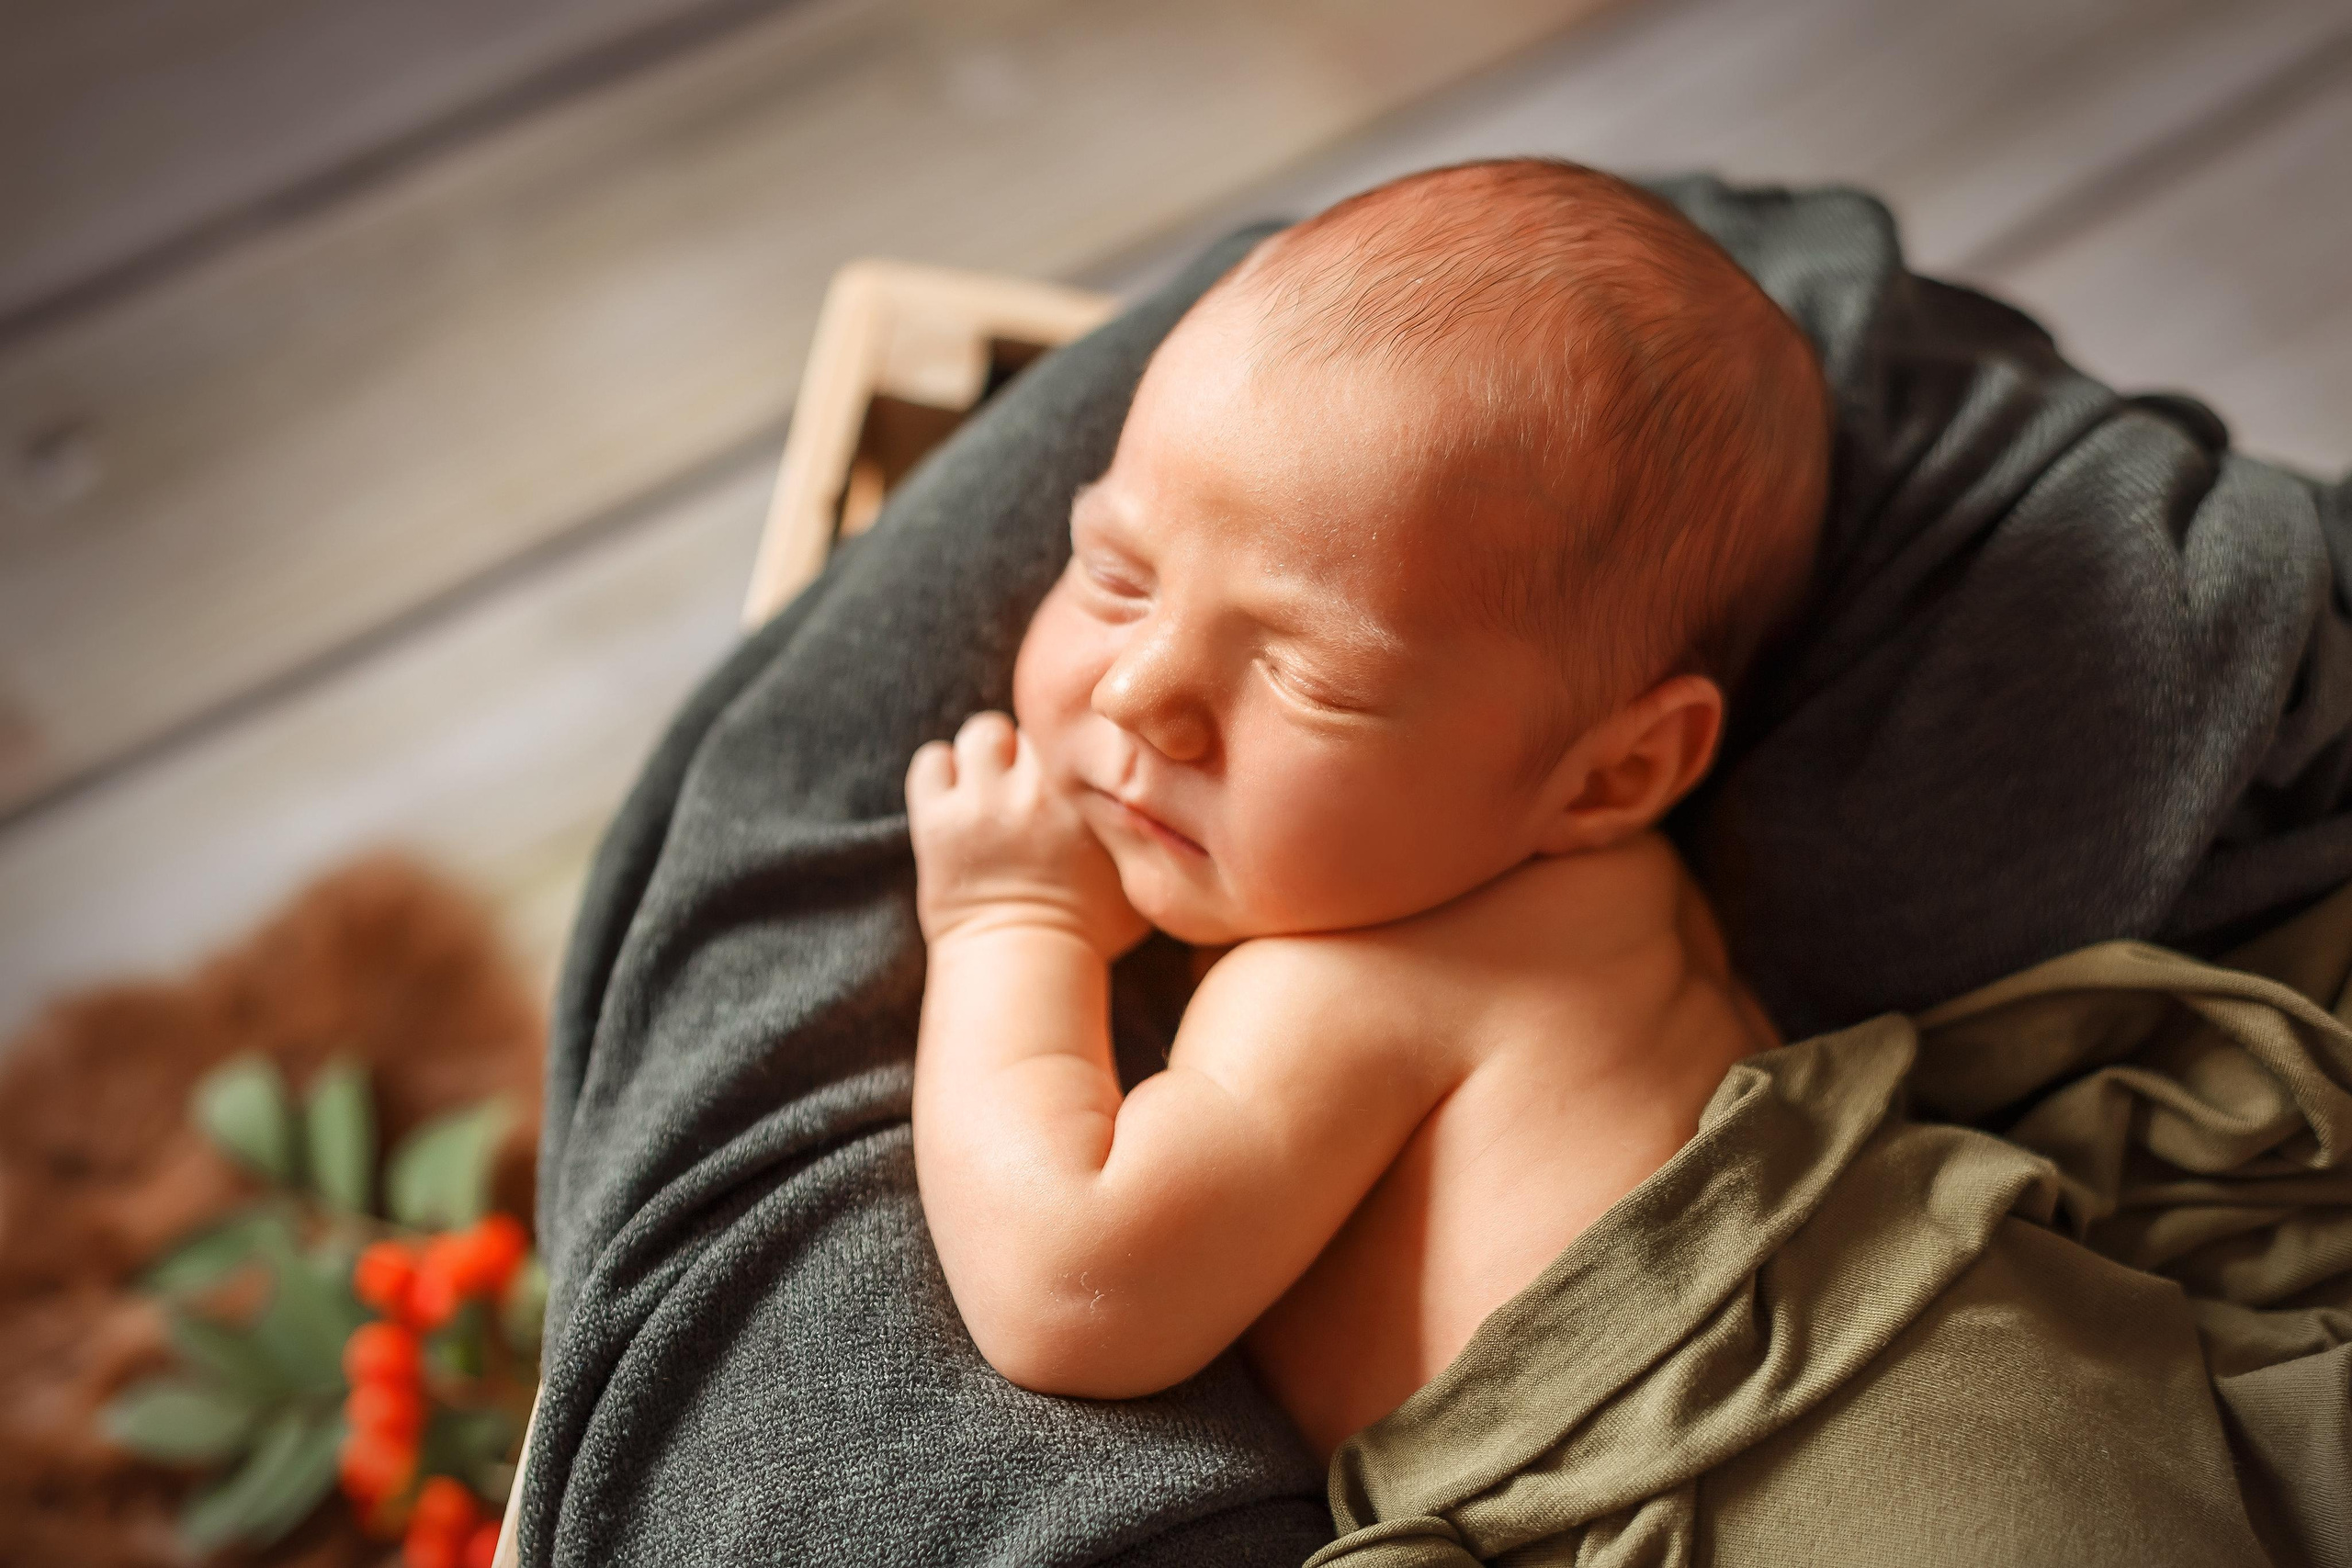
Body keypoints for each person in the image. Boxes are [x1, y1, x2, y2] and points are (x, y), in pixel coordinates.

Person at [903, 158, 1829, 1462]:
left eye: (1309, 677)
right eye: (1114, 573)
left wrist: (1009, 922)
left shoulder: (1356, 983)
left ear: (1612, 777)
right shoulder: (1621, 912)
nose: (1135, 693)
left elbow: (1067, 1288)